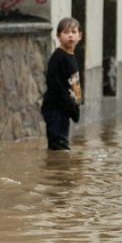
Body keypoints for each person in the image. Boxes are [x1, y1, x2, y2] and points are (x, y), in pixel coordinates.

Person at [40, 18, 82, 151]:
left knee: (61, 145)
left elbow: (73, 83)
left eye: (74, 32)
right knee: (59, 148)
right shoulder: (58, 57)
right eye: (66, 32)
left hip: (64, 110)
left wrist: (76, 105)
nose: (70, 35)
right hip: (55, 110)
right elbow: (54, 84)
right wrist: (70, 105)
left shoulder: (71, 56)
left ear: (80, 36)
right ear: (58, 36)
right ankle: (56, 170)